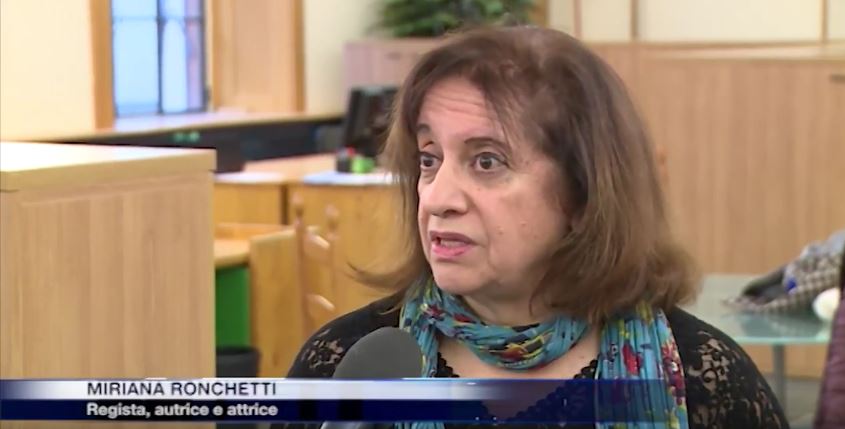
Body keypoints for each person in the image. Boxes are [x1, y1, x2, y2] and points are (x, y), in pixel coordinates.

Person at [287, 26, 787, 429]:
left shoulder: (707, 381)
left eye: (486, 161)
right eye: (429, 159)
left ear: (583, 193)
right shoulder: (342, 368)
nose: (437, 198)